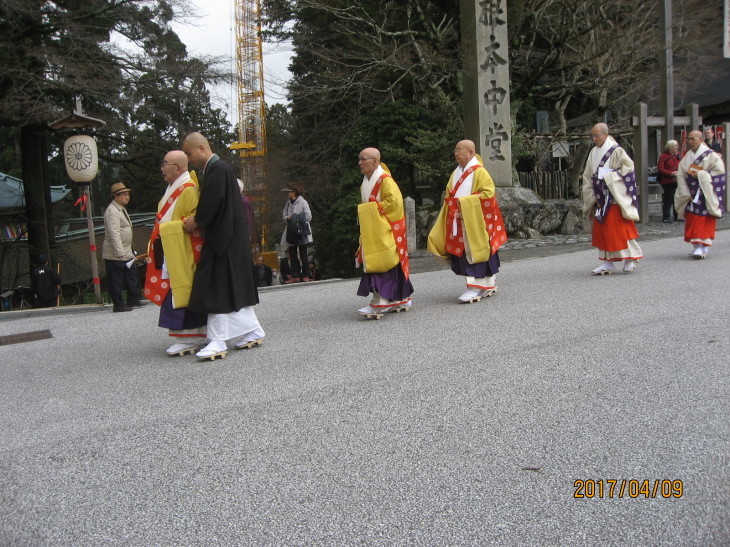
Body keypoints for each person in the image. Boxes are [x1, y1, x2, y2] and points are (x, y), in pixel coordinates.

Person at [182, 132, 265, 359]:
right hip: (229, 237)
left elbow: (211, 203)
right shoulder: (219, 169)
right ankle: (253, 329)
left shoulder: (217, 169)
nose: (190, 159)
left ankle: (218, 341)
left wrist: (196, 220)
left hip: (223, 239)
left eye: (189, 154)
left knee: (215, 288)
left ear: (201, 148)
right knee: (230, 287)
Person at [144, 150, 207, 356]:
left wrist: (171, 229)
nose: (161, 168)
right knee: (173, 292)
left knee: (181, 291)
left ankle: (187, 337)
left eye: (165, 164)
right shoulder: (174, 187)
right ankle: (184, 335)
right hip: (172, 249)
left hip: (182, 251)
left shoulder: (188, 189)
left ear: (178, 167)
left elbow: (195, 221)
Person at [427, 139, 507, 302]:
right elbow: (450, 194)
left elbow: (488, 194)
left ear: (471, 152)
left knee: (475, 251)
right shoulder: (456, 172)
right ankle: (487, 283)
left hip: (474, 220)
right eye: (455, 150)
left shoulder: (479, 172)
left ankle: (476, 287)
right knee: (465, 253)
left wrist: (464, 204)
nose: (456, 153)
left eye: (460, 150)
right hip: (459, 220)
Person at [355, 147, 414, 316]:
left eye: (363, 159)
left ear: (375, 161)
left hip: (385, 230)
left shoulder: (385, 181)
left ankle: (380, 302)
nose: (360, 163)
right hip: (374, 230)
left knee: (383, 263)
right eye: (359, 159)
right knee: (390, 263)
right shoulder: (366, 182)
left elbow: (394, 203)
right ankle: (401, 298)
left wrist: (372, 211)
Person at [581, 123, 643, 275]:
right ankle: (607, 262)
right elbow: (588, 175)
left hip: (614, 197)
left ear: (605, 134)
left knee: (619, 230)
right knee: (603, 231)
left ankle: (631, 257)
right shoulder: (593, 152)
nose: (594, 139)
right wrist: (591, 194)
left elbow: (628, 169)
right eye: (592, 136)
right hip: (600, 197)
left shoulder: (616, 150)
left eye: (597, 135)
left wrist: (609, 177)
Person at [674, 129, 726, 259]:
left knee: (704, 219)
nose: (690, 141)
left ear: (701, 140)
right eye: (689, 139)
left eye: (693, 139)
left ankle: (703, 246)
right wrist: (685, 192)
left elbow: (719, 173)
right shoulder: (687, 156)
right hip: (691, 192)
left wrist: (702, 175)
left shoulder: (711, 155)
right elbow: (681, 174)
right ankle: (697, 246)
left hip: (705, 192)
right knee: (692, 218)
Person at [102, 182, 145, 311]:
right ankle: (119, 304)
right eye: (124, 194)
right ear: (116, 196)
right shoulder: (112, 211)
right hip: (115, 252)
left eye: (128, 194)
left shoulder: (120, 209)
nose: (128, 197)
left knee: (131, 275)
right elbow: (114, 233)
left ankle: (133, 298)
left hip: (127, 250)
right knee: (116, 279)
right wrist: (119, 251)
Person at [280, 183, 313, 283]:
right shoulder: (288, 203)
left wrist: (297, 218)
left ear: (294, 192)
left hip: (301, 231)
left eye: (289, 192)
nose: (287, 194)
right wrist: (289, 218)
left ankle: (306, 275)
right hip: (291, 231)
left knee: (303, 254)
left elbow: (309, 216)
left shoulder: (303, 202)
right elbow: (284, 216)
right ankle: (295, 275)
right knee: (293, 254)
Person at [657, 140, 681, 223]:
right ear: (670, 147)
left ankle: (677, 215)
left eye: (677, 145)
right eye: (675, 145)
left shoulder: (678, 156)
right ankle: (666, 216)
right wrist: (671, 173)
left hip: (677, 180)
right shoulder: (663, 156)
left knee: (677, 198)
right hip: (667, 181)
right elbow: (660, 169)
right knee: (669, 198)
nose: (677, 147)